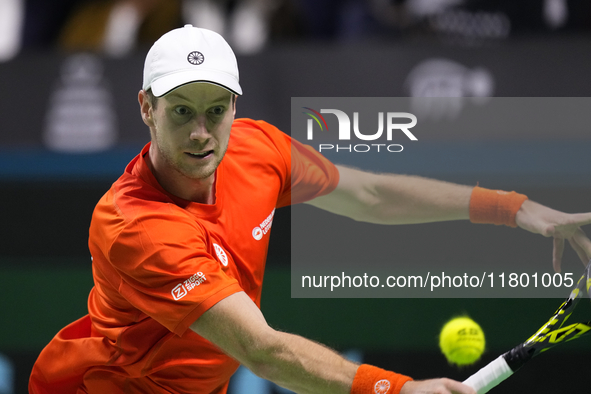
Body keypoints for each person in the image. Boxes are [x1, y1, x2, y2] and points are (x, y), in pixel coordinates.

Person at [29, 24, 591, 394]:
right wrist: (399, 389)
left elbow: (370, 194)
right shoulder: (137, 226)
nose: (202, 134)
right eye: (181, 112)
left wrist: (518, 209)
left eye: (216, 110)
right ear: (146, 109)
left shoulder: (254, 146)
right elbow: (263, 350)